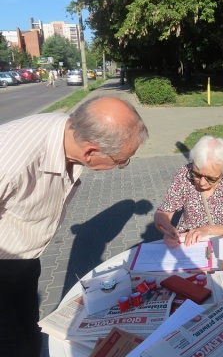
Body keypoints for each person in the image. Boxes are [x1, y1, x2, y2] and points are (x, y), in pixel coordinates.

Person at [0, 96, 148, 357]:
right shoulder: (10, 162)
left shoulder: (69, 131)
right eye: (121, 161)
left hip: (25, 256)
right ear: (90, 152)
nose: (121, 167)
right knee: (12, 344)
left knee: (31, 331)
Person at [154, 135, 223, 248]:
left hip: (222, 242)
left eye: (211, 178)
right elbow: (162, 213)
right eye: (196, 174)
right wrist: (169, 230)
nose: (201, 183)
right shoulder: (184, 173)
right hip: (186, 241)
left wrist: (207, 230)